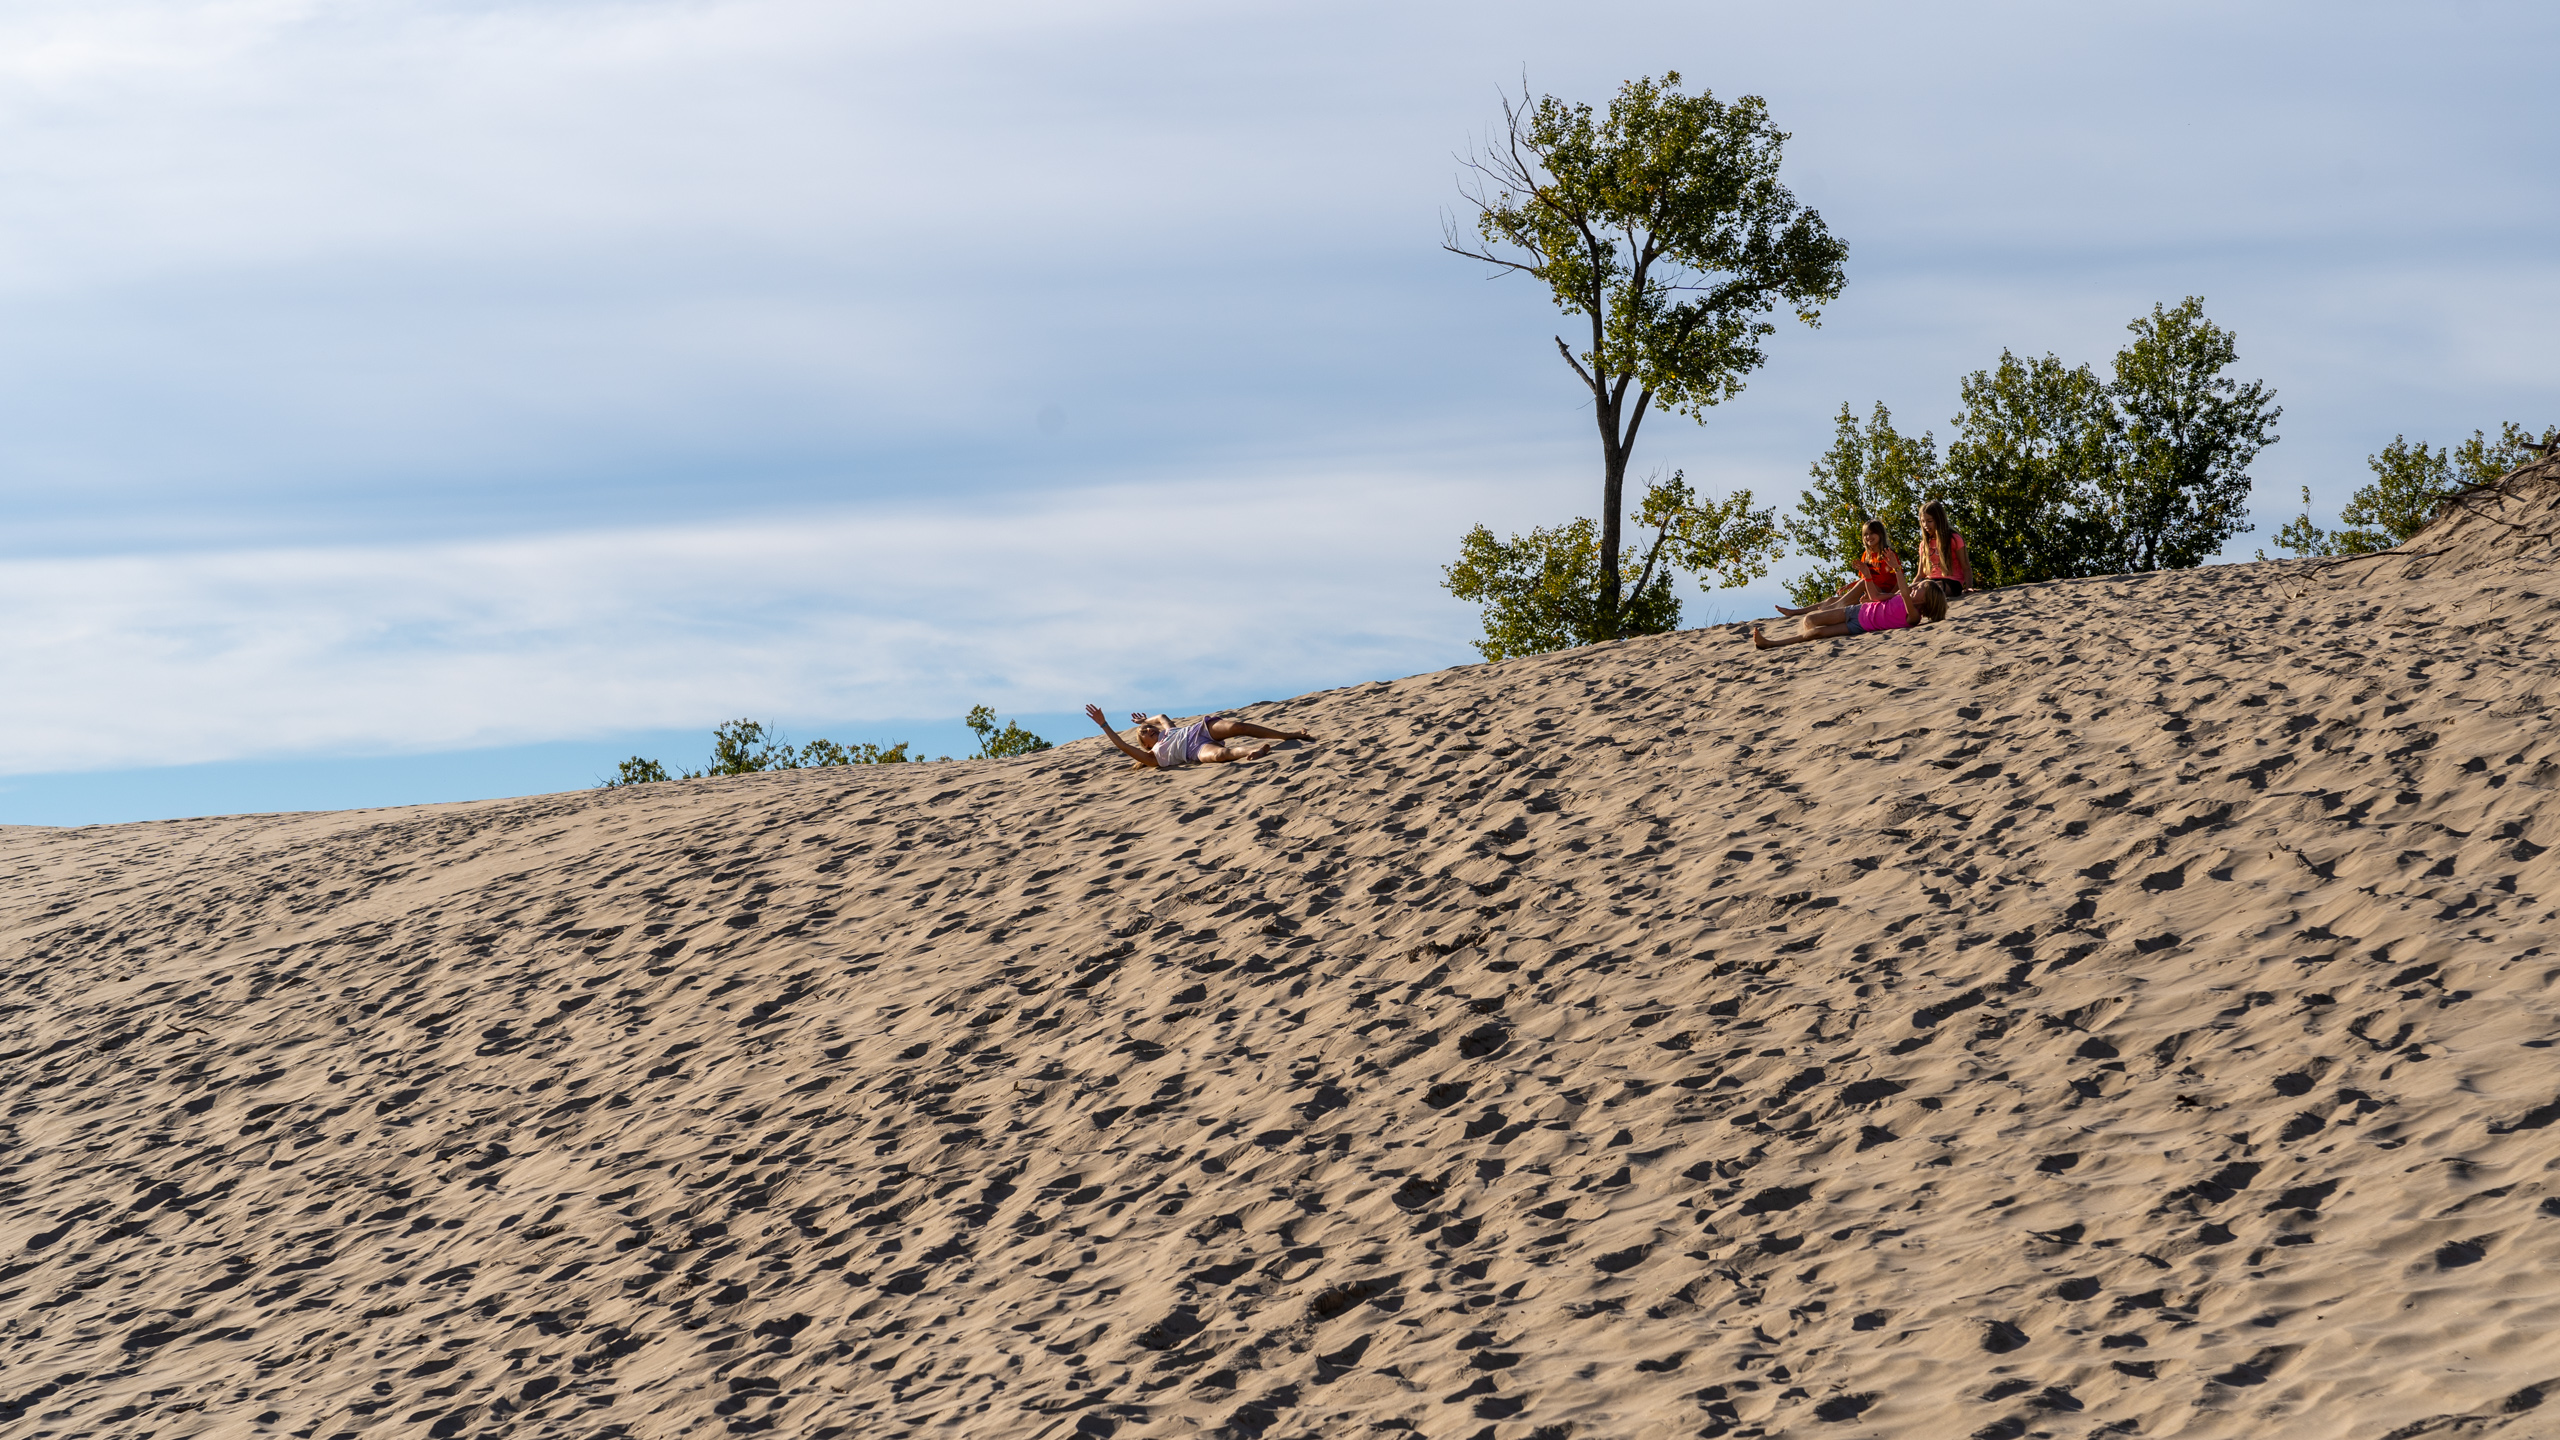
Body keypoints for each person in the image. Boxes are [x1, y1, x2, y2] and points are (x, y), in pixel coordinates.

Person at [1082, 705, 1315, 768]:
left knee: (1237, 726)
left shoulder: (1169, 730)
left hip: (1198, 731)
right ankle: (1253, 752)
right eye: (1145, 733)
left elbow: (1161, 715)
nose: (1149, 731)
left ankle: (1288, 735)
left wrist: (1144, 721)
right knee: (1222, 754)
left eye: (1148, 728)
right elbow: (1123, 746)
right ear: (1144, 744)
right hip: (1193, 751)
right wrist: (1104, 724)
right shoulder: (1153, 757)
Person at [1752, 579, 1949, 649]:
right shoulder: (1899, 596)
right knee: (1810, 620)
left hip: (1859, 626)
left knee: (1817, 633)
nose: (1916, 587)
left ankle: (1771, 643)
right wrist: (1868, 594)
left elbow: (1906, 594)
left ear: (1927, 599)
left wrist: (1897, 568)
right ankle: (1798, 633)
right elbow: (1878, 598)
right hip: (1857, 611)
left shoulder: (1914, 616)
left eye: (1921, 587)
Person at [1778, 516, 1906, 616]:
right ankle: (1795, 612)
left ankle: (1834, 608)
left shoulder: (1887, 554)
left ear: (1880, 534)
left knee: (1853, 591)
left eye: (1872, 533)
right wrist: (1849, 585)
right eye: (1866, 534)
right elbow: (1866, 577)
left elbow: (1898, 577)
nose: (1868, 537)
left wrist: (1893, 596)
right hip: (1869, 591)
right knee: (1830, 600)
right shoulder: (1866, 556)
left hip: (1884, 593)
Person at [1916, 499, 1974, 598]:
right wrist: (1907, 590)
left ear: (1939, 520)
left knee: (1930, 589)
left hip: (1951, 582)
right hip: (1929, 581)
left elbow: (1966, 567)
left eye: (1929, 521)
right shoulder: (1924, 544)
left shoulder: (1954, 539)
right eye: (1923, 521)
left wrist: (1968, 587)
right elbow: (1920, 574)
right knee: (1911, 590)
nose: (1925, 525)